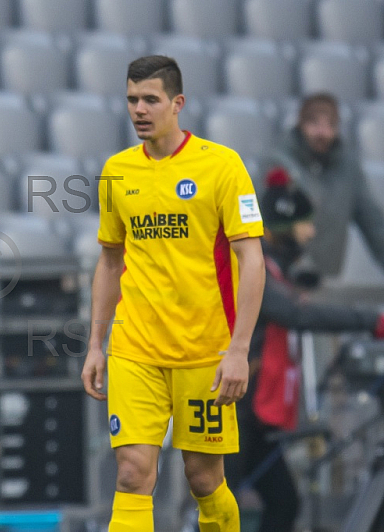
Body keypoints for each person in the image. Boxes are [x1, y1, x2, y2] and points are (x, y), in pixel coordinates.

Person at [81, 55, 266, 532]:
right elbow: (109, 260)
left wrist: (240, 350)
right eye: (131, 99)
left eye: (151, 100)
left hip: (204, 350)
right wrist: (95, 345)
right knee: (131, 473)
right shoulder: (117, 171)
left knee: (203, 479)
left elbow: (252, 259)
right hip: (134, 348)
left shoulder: (221, 166)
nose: (139, 109)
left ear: (177, 103)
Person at [224, 167, 384, 531]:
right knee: (222, 507)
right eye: (304, 223)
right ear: (281, 226)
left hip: (256, 418)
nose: (310, 232)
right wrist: (369, 320)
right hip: (237, 409)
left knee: (283, 505)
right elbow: (296, 314)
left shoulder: (275, 268)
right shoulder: (253, 268)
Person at [268, 93, 384, 278]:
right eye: (314, 123)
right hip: (279, 279)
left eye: (330, 125)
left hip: (324, 280)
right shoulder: (275, 163)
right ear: (301, 124)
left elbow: (374, 224)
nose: (322, 133)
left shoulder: (348, 169)